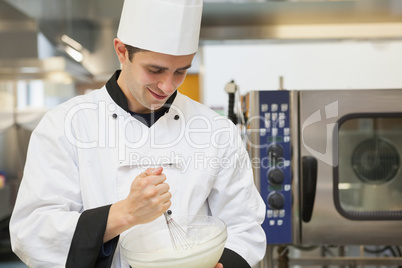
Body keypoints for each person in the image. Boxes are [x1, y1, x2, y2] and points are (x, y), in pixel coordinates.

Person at [10, 0, 267, 267]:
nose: (167, 85)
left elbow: (244, 227)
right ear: (122, 51)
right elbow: (31, 232)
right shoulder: (65, 125)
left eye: (180, 71)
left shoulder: (216, 130)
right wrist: (124, 214)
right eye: (154, 70)